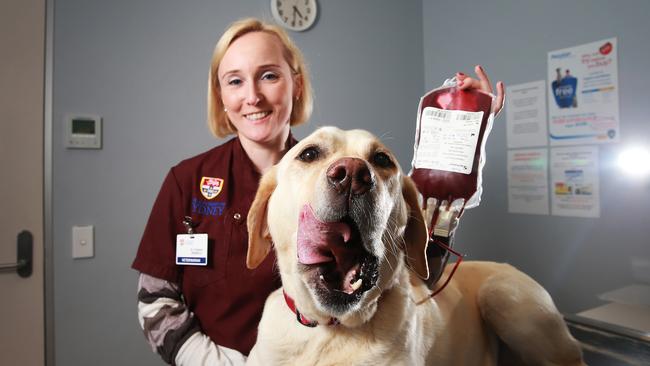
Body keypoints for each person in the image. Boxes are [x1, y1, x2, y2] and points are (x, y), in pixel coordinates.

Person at [132, 17, 504, 366]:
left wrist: (463, 139)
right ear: (220, 95)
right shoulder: (186, 180)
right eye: (234, 81)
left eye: (268, 76)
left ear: (296, 84)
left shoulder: (350, 177)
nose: (253, 96)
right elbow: (155, 302)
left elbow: (417, 271)